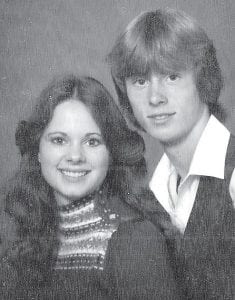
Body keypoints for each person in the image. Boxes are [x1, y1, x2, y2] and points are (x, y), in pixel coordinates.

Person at [0, 75, 180, 299]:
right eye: (59, 140)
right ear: (37, 149)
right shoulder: (28, 238)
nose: (75, 156)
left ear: (111, 153)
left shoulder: (135, 240)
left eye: (92, 141)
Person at [107, 8, 235, 299]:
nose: (155, 97)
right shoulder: (155, 191)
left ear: (203, 78)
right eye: (140, 81)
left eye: (172, 76)